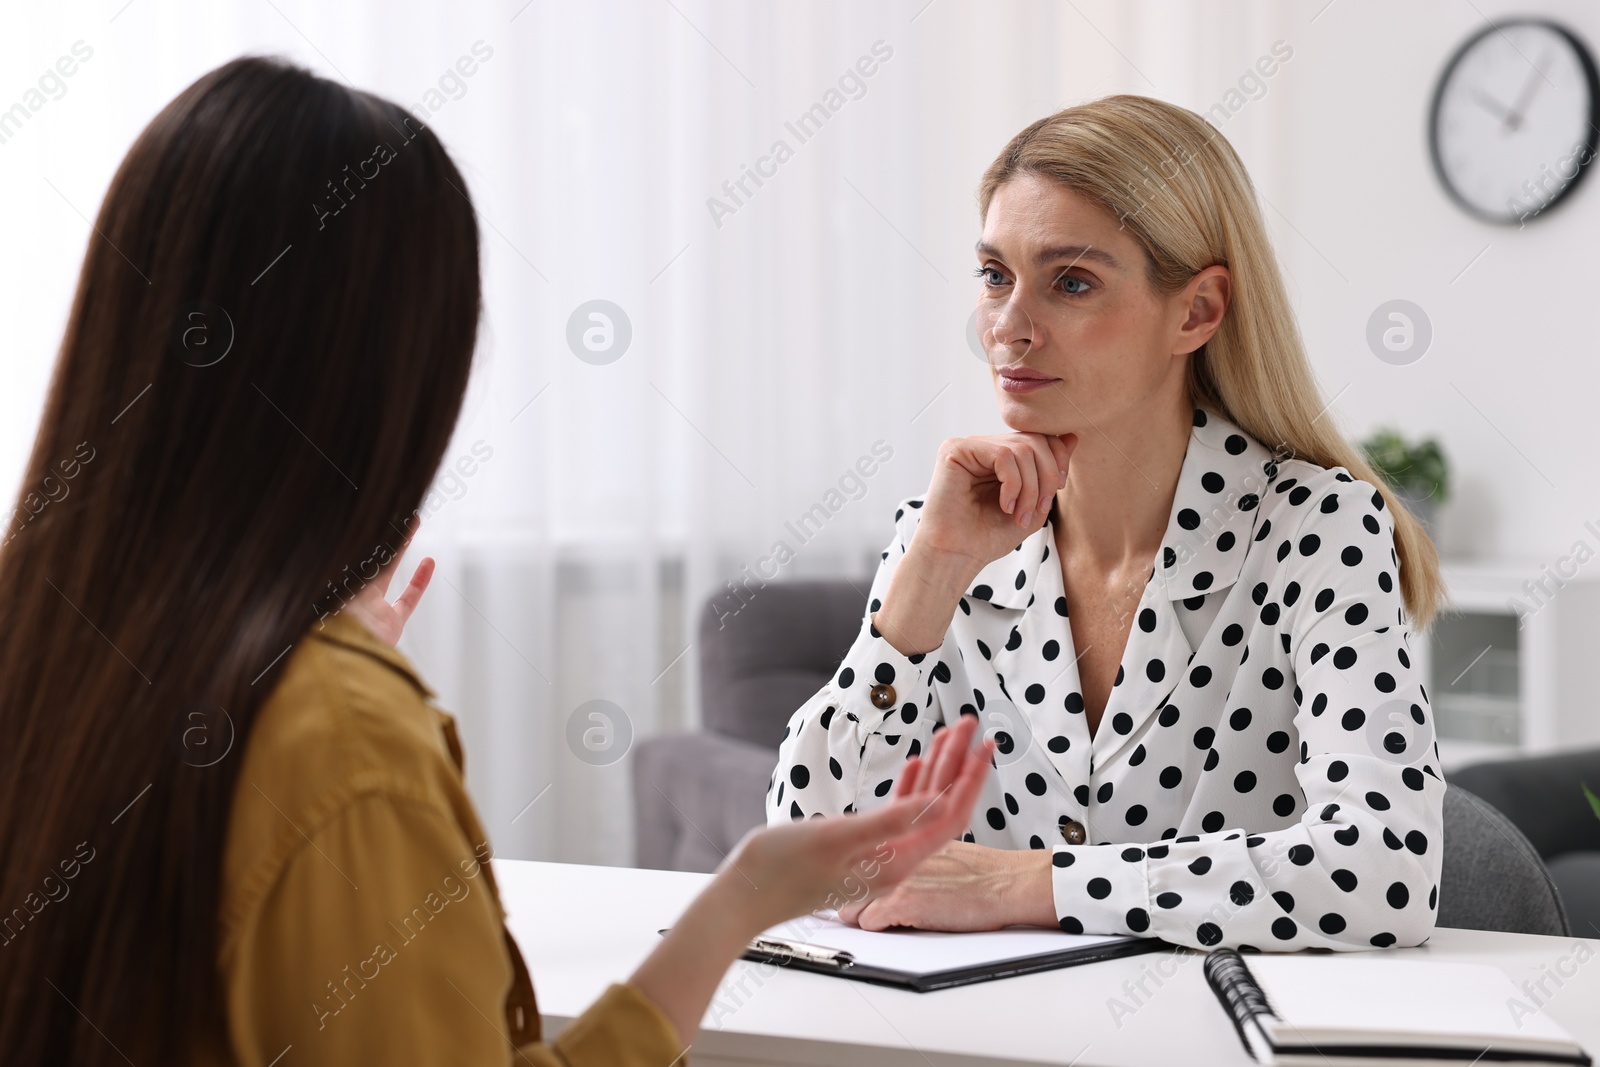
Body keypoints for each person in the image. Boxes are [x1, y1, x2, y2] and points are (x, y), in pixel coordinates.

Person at [0, 57, 997, 1066]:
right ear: (395, 370)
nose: (1004, 327)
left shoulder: (55, 645)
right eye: (991, 276)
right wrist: (740, 900)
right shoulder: (340, 736)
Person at [768, 95, 1447, 953]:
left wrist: (1028, 882)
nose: (1007, 328)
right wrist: (927, 577)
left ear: (1197, 312)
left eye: (1072, 282)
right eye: (993, 276)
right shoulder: (943, 535)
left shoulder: (1318, 528)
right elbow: (805, 854)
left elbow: (1386, 873)